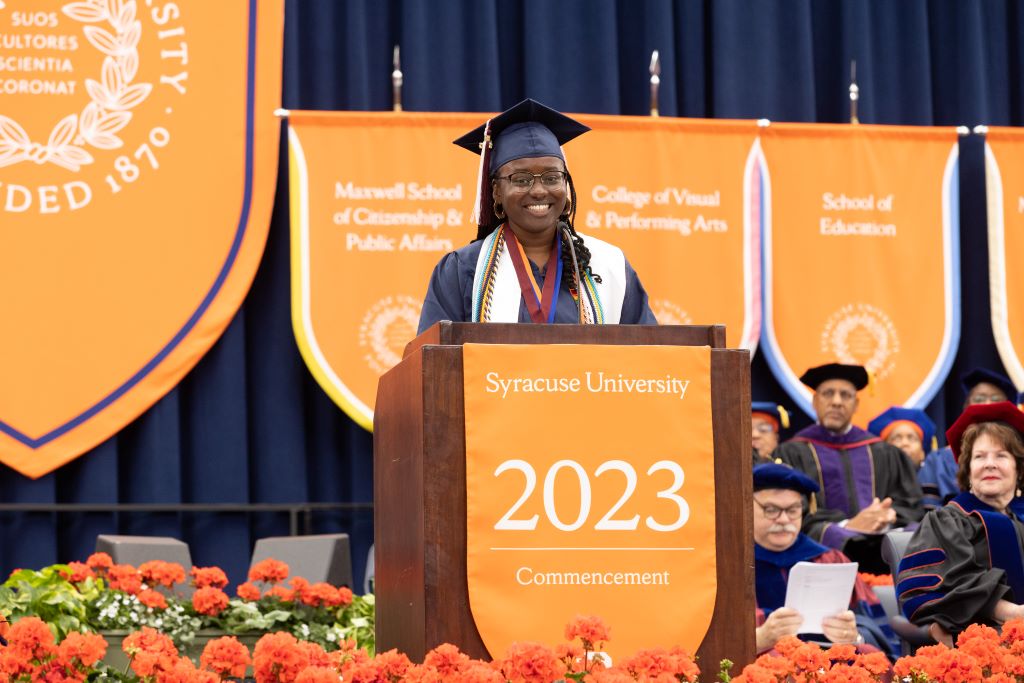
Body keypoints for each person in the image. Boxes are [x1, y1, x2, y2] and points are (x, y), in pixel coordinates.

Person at [417, 99, 657, 333]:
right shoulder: (462, 269)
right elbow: (433, 362)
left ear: (566, 184)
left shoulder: (608, 265)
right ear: (496, 192)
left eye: (552, 178)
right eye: (521, 180)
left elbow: (650, 355)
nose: (540, 191)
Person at [896, 401, 1024, 646]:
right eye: (979, 456)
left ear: (1018, 468)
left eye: (1001, 455)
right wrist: (1012, 613)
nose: (989, 463)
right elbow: (928, 591)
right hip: (982, 647)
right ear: (968, 470)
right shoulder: (948, 521)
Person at [775, 362, 923, 573]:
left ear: (856, 404)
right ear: (815, 402)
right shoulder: (792, 453)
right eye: (828, 394)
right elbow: (792, 514)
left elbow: (911, 505)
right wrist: (849, 525)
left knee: (919, 533)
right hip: (823, 555)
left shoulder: (884, 452)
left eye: (845, 395)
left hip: (883, 552)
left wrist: (886, 517)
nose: (836, 401)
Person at [752, 463, 896, 656]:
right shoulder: (731, 567)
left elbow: (872, 623)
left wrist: (854, 635)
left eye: (793, 509)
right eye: (771, 510)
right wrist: (759, 639)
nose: (784, 520)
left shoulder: (830, 560)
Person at [918, 367, 1021, 509]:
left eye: (1001, 456)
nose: (987, 404)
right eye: (979, 456)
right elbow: (927, 512)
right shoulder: (938, 460)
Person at [867, 406, 937, 469]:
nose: (904, 443)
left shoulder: (933, 482)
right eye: (897, 439)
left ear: (922, 453)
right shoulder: (872, 482)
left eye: (911, 438)